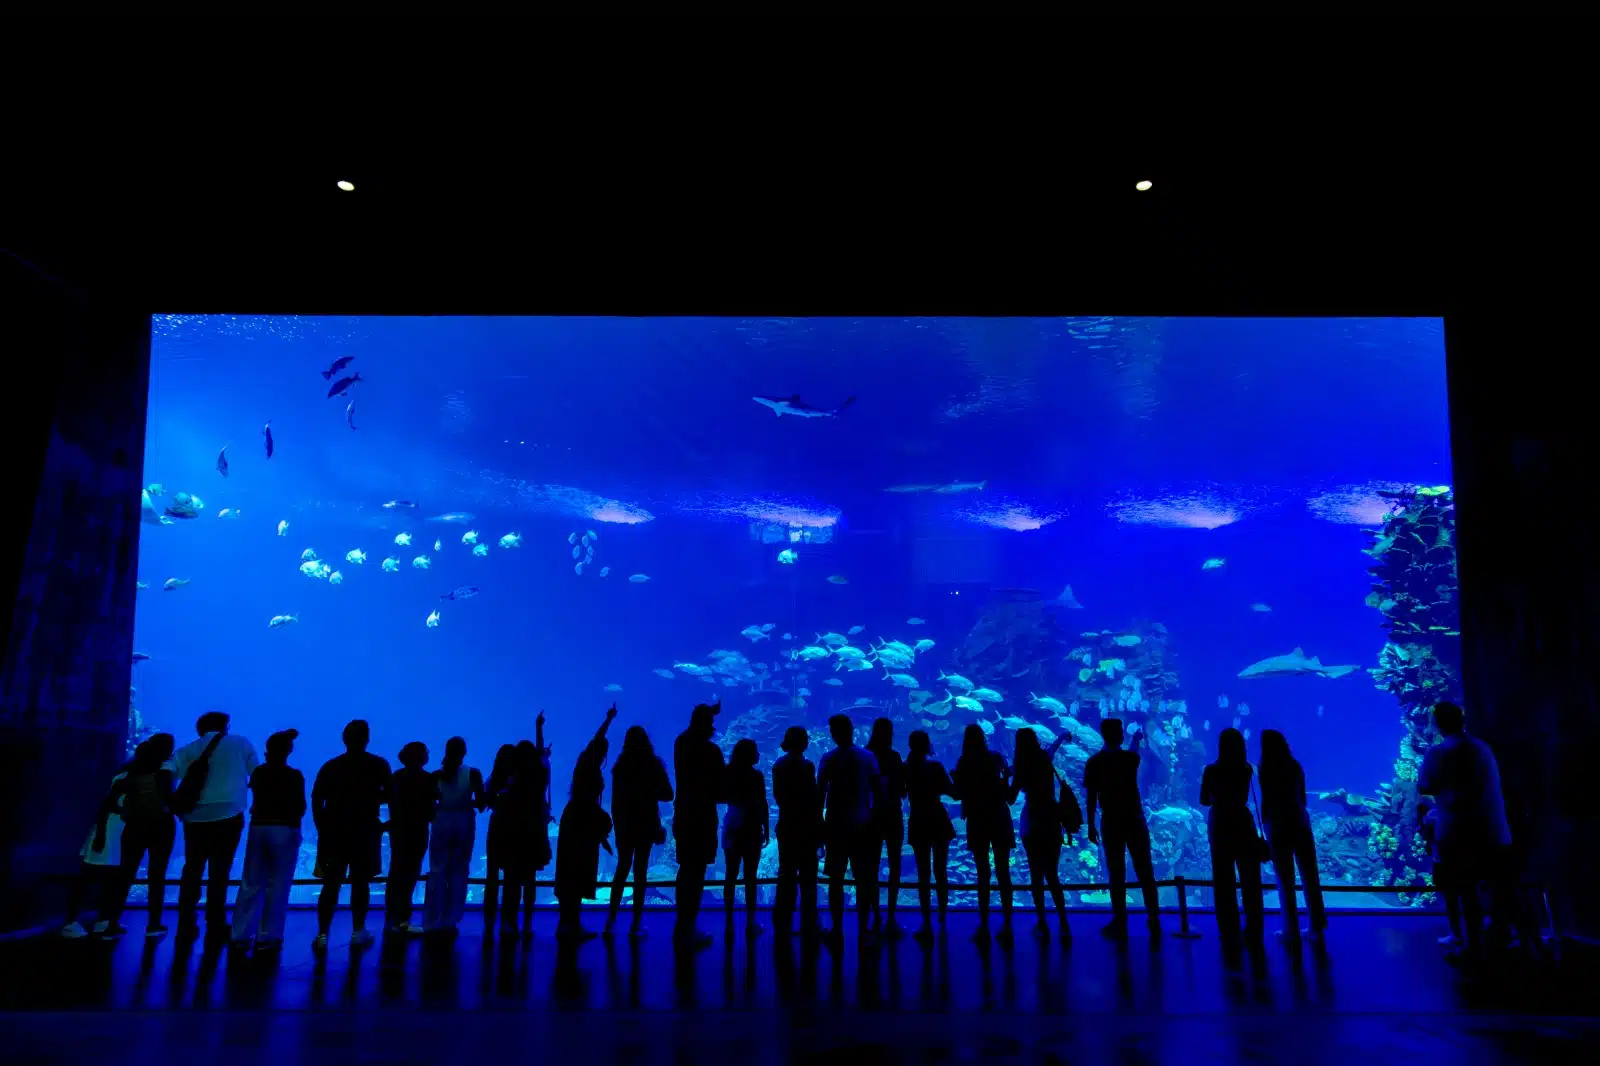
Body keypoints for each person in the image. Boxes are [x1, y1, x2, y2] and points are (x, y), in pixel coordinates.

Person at [1417, 701, 1513, 955]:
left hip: (1458, 832)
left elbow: (1424, 786)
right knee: (1495, 887)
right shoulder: (1482, 748)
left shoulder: (1438, 753)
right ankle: (1506, 941)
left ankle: (1470, 944)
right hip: (1493, 830)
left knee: (1464, 889)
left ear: (1437, 725)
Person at [167, 711, 260, 940]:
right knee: (220, 870)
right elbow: (257, 776)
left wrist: (172, 803)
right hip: (229, 815)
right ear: (226, 726)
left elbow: (166, 771)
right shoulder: (241, 743)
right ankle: (215, 920)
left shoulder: (188, 749)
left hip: (195, 819)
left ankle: (186, 917)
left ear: (200, 728)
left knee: (193, 867)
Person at [310, 719, 391, 948]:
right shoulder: (378, 765)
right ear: (367, 738)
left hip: (335, 832)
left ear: (344, 739)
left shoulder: (330, 766)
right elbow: (391, 795)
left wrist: (321, 826)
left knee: (331, 883)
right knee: (361, 882)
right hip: (365, 832)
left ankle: (323, 934)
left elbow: (317, 798)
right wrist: (386, 822)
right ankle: (358, 930)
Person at [1084, 718, 1161, 939]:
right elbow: (1133, 752)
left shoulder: (1094, 763)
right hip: (1134, 819)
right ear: (1119, 735)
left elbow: (1091, 797)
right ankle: (1153, 919)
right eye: (1119, 731)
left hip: (1111, 821)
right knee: (1145, 869)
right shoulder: (1129, 759)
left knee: (1116, 872)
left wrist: (1090, 823)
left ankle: (1120, 920)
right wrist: (1136, 738)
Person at [230, 729, 305, 951]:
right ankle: (268, 935)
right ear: (288, 751)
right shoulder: (294, 775)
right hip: (284, 829)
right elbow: (300, 807)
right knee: (278, 884)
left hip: (258, 828)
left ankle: (240, 933)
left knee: (250, 882)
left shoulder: (259, 773)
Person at [97, 733, 177, 937]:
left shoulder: (128, 775)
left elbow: (110, 803)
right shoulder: (164, 775)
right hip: (161, 826)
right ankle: (154, 925)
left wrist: (122, 811)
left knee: (125, 875)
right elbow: (172, 802)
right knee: (157, 875)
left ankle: (112, 923)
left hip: (134, 826)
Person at [554, 705, 617, 942]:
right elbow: (598, 739)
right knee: (576, 871)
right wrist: (608, 719)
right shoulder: (589, 764)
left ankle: (569, 924)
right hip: (583, 820)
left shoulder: (584, 765)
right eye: (604, 752)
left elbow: (597, 740)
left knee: (572, 872)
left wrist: (602, 838)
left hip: (577, 819)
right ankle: (569, 924)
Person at [818, 714, 882, 945]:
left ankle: (837, 929)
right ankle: (864, 930)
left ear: (833, 734)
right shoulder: (868, 757)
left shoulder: (828, 759)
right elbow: (878, 791)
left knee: (836, 879)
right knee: (863, 878)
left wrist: (819, 825)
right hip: (863, 824)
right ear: (852, 730)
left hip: (835, 826)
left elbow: (820, 794)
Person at [1257, 729, 1326, 943]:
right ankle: (1316, 927)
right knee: (1310, 876)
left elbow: (1267, 801)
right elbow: (1302, 798)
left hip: (1278, 826)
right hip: (1300, 822)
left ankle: (1291, 930)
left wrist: (1266, 826)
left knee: (1284, 879)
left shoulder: (1265, 767)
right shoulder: (1295, 766)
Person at [605, 724, 673, 939]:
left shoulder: (620, 767)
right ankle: (635, 924)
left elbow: (615, 802)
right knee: (640, 873)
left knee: (622, 870)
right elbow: (668, 794)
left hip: (625, 825)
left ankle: (611, 921)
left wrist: (618, 826)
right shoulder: (652, 765)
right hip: (645, 825)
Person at [1200, 727, 1265, 942]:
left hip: (1220, 823)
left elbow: (1204, 800)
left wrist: (1218, 798)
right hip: (1242, 821)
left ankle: (1228, 927)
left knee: (1223, 878)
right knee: (1250, 877)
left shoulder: (1211, 770)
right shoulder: (1246, 769)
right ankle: (1254, 925)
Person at [952, 723, 1015, 942]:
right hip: (999, 816)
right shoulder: (995, 758)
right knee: (1003, 871)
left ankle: (984, 924)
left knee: (982, 873)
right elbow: (1005, 788)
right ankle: (1008, 924)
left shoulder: (964, 762)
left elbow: (959, 793)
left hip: (978, 818)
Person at [672, 702, 725, 950]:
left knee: (686, 870)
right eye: (711, 723)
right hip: (702, 817)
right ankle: (688, 927)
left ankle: (682, 925)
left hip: (683, 813)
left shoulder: (680, 742)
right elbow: (721, 787)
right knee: (698, 872)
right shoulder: (711, 752)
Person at [60, 761, 131, 938]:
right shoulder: (125, 778)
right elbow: (106, 806)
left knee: (110, 880)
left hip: (118, 834)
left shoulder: (134, 777)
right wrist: (101, 835)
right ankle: (70, 922)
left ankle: (104, 920)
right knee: (87, 877)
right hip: (108, 832)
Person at [1014, 728, 1071, 941]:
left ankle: (1042, 923)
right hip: (1051, 821)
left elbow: (1011, 797)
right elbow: (1052, 750)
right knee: (1053, 875)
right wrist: (1062, 735)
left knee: (1036, 876)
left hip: (1032, 823)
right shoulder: (1044, 759)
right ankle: (1064, 922)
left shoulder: (1021, 766)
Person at [424, 736, 484, 935]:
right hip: (464, 822)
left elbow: (429, 804)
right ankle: (451, 919)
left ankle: (433, 919)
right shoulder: (473, 774)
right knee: (459, 871)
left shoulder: (435, 776)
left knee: (437, 870)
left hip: (441, 821)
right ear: (464, 752)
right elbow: (482, 803)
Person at [903, 729, 956, 942]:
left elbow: (901, 793)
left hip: (918, 820)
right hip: (937, 818)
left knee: (923, 873)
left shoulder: (905, 768)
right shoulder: (935, 766)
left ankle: (926, 922)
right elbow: (953, 792)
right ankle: (942, 916)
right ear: (927, 745)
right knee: (940, 870)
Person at [771, 726, 822, 937]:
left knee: (786, 874)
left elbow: (778, 796)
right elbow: (812, 797)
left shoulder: (778, 765)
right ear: (802, 743)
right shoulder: (807, 766)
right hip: (806, 826)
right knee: (808, 876)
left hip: (786, 824)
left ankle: (782, 922)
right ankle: (809, 922)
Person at [385, 741, 436, 933]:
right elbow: (431, 811)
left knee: (396, 872)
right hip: (418, 830)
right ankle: (404, 919)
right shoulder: (428, 779)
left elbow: (389, 801)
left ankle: (391, 918)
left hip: (398, 831)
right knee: (411, 875)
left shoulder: (396, 777)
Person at [722, 737, 769, 936]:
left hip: (732, 825)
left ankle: (729, 921)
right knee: (750, 876)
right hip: (751, 827)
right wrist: (766, 827)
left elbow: (721, 796)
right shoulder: (756, 776)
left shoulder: (728, 773)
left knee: (730, 875)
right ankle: (751, 921)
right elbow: (763, 802)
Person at [865, 717, 907, 938]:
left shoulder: (865, 755)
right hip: (891, 814)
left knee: (870, 867)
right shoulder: (893, 757)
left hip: (870, 816)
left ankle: (875, 915)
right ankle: (890, 917)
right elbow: (902, 791)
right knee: (895, 865)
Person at [482, 742, 520, 933]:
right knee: (511, 877)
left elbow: (483, 803)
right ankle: (508, 921)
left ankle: (490, 920)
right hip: (513, 828)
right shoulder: (520, 781)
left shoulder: (492, 780)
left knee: (493, 876)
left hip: (497, 827)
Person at [1417, 797, 1463, 946]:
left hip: (1444, 862)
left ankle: (1458, 934)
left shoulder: (1431, 817)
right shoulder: (1444, 813)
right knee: (1462, 897)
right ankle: (1462, 934)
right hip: (1455, 859)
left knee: (1452, 898)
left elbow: (1429, 841)